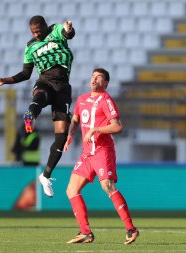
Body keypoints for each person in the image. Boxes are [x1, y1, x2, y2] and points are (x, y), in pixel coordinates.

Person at [0, 15, 75, 197]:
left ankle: (46, 176)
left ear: (44, 26)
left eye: (39, 30)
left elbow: (68, 34)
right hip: (45, 81)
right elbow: (26, 74)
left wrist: (69, 29)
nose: (37, 34)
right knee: (40, 95)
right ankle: (30, 115)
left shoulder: (55, 30)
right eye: (33, 32)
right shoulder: (30, 46)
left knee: (61, 137)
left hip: (63, 87)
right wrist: (3, 80)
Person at [63, 68, 139, 244]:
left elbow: (118, 126)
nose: (94, 79)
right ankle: (85, 233)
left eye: (99, 78)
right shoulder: (82, 99)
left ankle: (131, 229)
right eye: (93, 76)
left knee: (107, 186)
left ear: (105, 83)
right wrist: (69, 135)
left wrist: (96, 129)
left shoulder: (106, 100)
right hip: (86, 153)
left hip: (102, 150)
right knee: (71, 190)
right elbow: (75, 119)